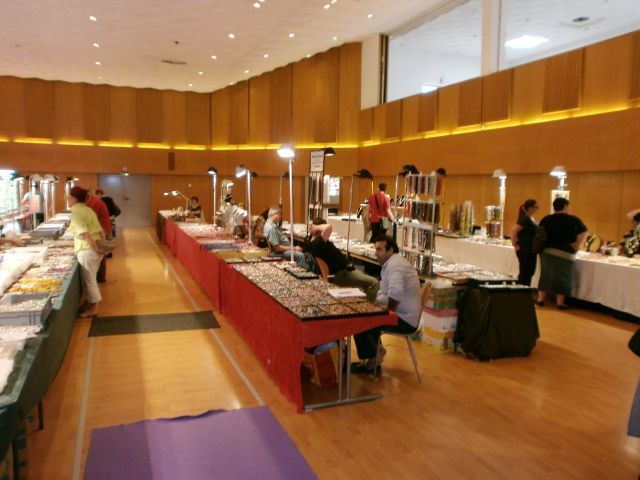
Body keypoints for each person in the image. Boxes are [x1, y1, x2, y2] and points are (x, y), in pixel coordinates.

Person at [351, 236, 422, 374]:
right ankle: (376, 352)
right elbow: (387, 293)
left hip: (405, 320)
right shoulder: (394, 263)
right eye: (375, 249)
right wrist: (370, 299)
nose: (376, 253)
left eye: (379, 250)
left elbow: (395, 293)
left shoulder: (395, 266)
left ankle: (374, 359)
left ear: (390, 250)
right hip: (405, 315)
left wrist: (387, 313)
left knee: (359, 321)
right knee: (365, 314)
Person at [306, 218, 379, 301]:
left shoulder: (315, 242)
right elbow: (329, 227)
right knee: (373, 283)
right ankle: (367, 307)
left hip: (344, 271)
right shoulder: (318, 242)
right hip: (342, 274)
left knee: (365, 278)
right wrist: (316, 227)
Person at [536, 198, 588, 310]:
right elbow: (584, 231)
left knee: (545, 276)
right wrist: (577, 243)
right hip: (565, 252)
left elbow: (539, 233)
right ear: (565, 206)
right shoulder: (573, 219)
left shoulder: (547, 219)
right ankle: (560, 303)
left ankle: (540, 300)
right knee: (563, 277)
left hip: (547, 251)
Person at [67, 186, 106, 318]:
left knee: (89, 280)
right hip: (95, 248)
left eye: (69, 197)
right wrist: (102, 247)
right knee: (91, 278)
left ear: (74, 198)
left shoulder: (76, 211)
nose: (68, 199)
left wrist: (95, 248)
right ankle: (89, 304)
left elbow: (85, 234)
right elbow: (100, 230)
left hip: (87, 249)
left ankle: (92, 308)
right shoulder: (88, 209)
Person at [510, 199, 540, 286]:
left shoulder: (529, 218)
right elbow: (514, 231)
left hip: (529, 249)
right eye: (536, 207)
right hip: (525, 249)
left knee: (529, 271)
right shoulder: (525, 219)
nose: (537, 209)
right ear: (530, 208)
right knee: (525, 272)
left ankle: (525, 288)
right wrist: (514, 244)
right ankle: (523, 289)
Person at [87, 190, 113, 283]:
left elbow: (89, 218)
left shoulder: (94, 203)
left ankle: (100, 276)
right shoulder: (94, 201)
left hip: (102, 229)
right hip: (102, 228)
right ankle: (100, 276)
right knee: (101, 253)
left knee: (100, 254)